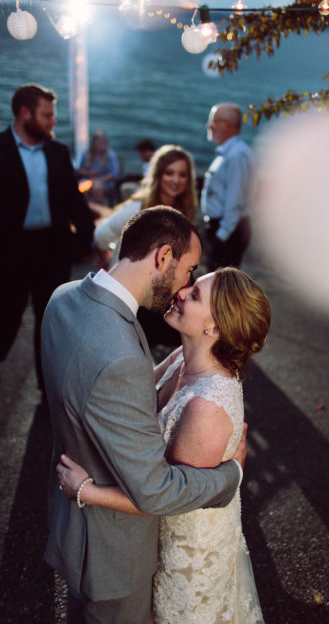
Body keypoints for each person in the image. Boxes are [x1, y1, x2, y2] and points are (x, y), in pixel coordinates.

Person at [41, 206, 245, 622]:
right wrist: (232, 476)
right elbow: (153, 490)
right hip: (113, 554)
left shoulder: (62, 299)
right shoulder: (118, 354)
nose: (184, 285)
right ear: (163, 257)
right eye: (188, 270)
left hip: (74, 525)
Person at [0, 83, 94, 388]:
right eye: (47, 115)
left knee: (51, 321)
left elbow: (72, 198)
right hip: (10, 251)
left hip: (51, 249)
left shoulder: (58, 151)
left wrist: (86, 234)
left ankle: (48, 392)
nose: (53, 121)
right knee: (6, 317)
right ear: (25, 114)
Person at [93, 145, 198, 268]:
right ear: (158, 174)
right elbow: (101, 235)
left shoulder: (186, 212)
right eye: (169, 173)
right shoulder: (136, 209)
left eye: (182, 175)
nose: (176, 180)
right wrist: (106, 262)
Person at [201, 103, 254, 271]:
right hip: (223, 229)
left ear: (229, 125)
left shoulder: (236, 155)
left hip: (227, 231)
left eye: (215, 121)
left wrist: (223, 235)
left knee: (219, 284)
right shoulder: (229, 153)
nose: (209, 126)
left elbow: (235, 198)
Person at [77, 129, 120, 205]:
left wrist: (98, 179)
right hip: (89, 180)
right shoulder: (86, 153)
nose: (100, 144)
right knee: (82, 188)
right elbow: (80, 170)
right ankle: (84, 210)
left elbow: (114, 174)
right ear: (93, 142)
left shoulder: (110, 155)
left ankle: (98, 209)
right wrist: (89, 173)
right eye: (98, 141)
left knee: (97, 188)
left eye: (102, 142)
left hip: (104, 181)